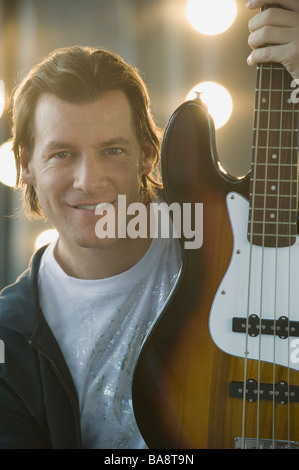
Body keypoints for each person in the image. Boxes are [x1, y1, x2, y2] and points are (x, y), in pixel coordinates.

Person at [0, 0, 298, 449]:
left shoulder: (239, 238)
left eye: (112, 150)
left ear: (148, 153)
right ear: (24, 164)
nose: (89, 181)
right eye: (62, 153)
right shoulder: (8, 337)